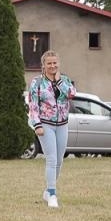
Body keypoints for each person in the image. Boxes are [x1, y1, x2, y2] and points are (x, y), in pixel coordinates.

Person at [27, 50, 74, 208]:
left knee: (59, 160)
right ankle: (53, 195)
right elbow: (33, 105)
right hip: (45, 124)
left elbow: (72, 94)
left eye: (55, 63)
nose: (52, 66)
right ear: (43, 65)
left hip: (62, 124)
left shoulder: (65, 80)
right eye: (49, 63)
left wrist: (60, 82)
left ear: (58, 64)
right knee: (52, 158)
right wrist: (37, 125)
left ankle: (48, 191)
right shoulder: (37, 82)